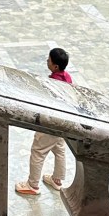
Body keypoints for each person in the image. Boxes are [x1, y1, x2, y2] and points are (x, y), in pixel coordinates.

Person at [14, 47, 73, 195]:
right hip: (64, 121)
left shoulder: (52, 83)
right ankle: (57, 179)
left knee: (38, 151)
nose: (47, 61)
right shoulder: (67, 77)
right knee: (59, 148)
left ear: (55, 66)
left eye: (49, 60)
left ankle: (32, 185)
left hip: (51, 121)